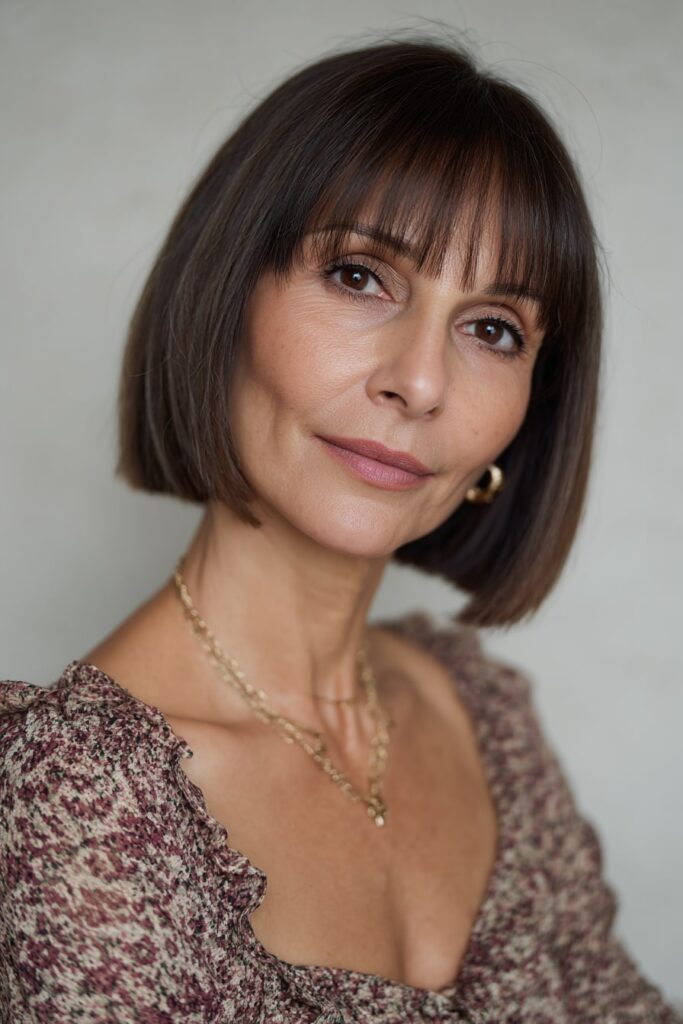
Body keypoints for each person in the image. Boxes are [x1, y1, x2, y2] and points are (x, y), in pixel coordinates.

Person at [1, 32, 680, 1024]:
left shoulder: (484, 716)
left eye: (492, 327)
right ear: (225, 293)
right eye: (362, 275)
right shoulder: (69, 795)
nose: (419, 381)